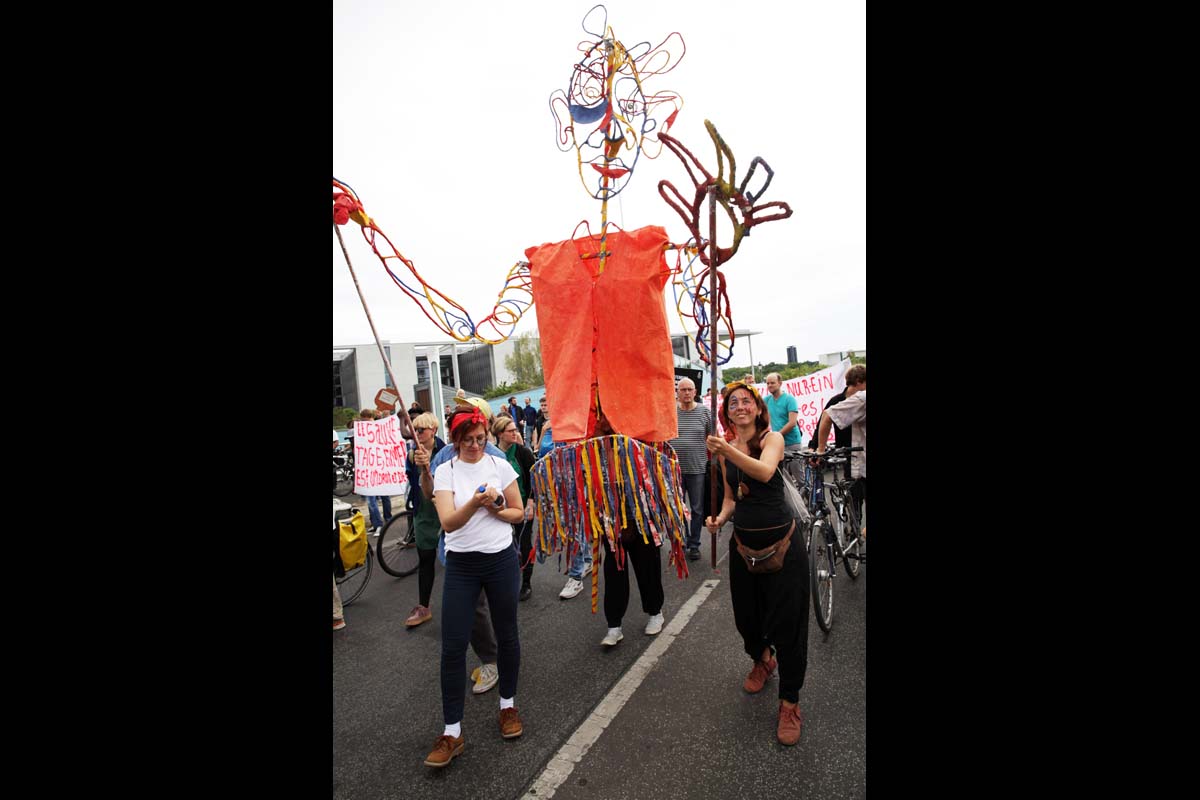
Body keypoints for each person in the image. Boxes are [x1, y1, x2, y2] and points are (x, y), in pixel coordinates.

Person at [705, 381, 809, 746]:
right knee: (747, 619)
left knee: (789, 626)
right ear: (726, 413)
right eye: (732, 403)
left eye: (746, 401)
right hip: (743, 546)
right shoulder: (725, 450)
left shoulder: (772, 440)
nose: (740, 406)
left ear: (758, 408)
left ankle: (790, 701)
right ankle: (763, 660)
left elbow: (764, 473)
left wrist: (727, 451)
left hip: (782, 546)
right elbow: (732, 498)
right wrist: (719, 517)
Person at [423, 405, 526, 768]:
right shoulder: (444, 471)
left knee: (507, 634)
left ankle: (508, 707)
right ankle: (452, 731)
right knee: (452, 646)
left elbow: (519, 512)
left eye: (481, 440)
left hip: (500, 560)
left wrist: (496, 507)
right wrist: (476, 502)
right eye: (468, 441)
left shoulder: (499, 465)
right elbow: (450, 523)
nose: (476, 446)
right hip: (462, 566)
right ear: (455, 440)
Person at [415, 396, 508, 695]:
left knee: (498, 609)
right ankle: (491, 659)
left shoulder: (496, 458)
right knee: (472, 611)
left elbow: (513, 505)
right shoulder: (444, 457)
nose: (473, 443)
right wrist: (425, 471)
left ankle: (503, 667)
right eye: (458, 416)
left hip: (496, 551)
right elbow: (432, 496)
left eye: (466, 412)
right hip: (458, 553)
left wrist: (501, 509)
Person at [593, 408, 666, 646]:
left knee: (648, 566)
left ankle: (655, 612)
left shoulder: (639, 440)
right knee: (614, 572)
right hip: (610, 519)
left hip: (641, 514)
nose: (607, 421)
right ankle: (614, 625)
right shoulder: (594, 446)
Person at [403, 413, 446, 628]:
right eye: (415, 430)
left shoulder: (446, 451)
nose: (417, 434)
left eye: (421, 430)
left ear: (433, 431)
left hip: (445, 509)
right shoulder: (411, 455)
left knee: (455, 559)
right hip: (423, 512)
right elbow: (411, 481)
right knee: (426, 559)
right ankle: (424, 606)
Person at [813, 364, 866, 521]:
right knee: (854, 497)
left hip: (858, 453)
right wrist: (817, 448)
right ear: (858, 381)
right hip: (850, 455)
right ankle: (854, 529)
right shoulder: (845, 400)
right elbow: (824, 418)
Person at [493, 416, 536, 600]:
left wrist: (532, 502)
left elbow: (534, 479)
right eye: (511, 431)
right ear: (500, 434)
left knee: (525, 543)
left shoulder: (523, 452)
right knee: (504, 546)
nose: (515, 433)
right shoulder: (492, 454)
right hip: (499, 508)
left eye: (515, 430)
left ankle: (526, 582)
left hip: (522, 506)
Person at [669, 378, 711, 562]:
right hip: (674, 469)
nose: (686, 393)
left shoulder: (704, 412)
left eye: (689, 389)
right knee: (677, 508)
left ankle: (694, 544)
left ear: (695, 392)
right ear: (677, 392)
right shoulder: (670, 411)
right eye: (683, 389)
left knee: (696, 508)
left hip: (697, 468)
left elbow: (712, 436)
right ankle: (681, 541)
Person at [358, 408, 394, 535]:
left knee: (384, 496)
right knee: (371, 499)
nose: (365, 423)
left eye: (366, 420)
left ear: (372, 418)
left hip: (381, 467)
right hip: (368, 468)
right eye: (363, 420)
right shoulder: (361, 432)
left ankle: (387, 520)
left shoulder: (381, 429)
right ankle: (377, 523)